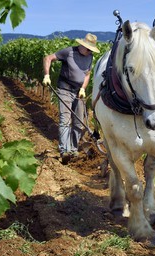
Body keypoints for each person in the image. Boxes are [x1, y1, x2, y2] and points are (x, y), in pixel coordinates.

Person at [42, 33, 100, 164]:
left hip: (78, 92)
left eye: (91, 49)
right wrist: (47, 75)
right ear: (81, 45)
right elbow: (48, 58)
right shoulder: (68, 52)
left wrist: (83, 88)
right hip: (65, 89)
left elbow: (87, 74)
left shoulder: (89, 56)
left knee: (79, 123)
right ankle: (64, 150)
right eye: (88, 48)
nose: (89, 51)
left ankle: (73, 150)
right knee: (65, 120)